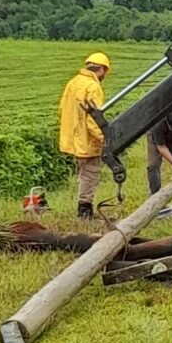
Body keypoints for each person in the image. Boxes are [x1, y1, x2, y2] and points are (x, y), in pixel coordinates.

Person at [58, 51, 112, 223]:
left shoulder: (73, 83)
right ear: (102, 69)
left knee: (83, 174)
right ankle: (84, 213)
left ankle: (84, 210)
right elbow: (93, 120)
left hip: (74, 140)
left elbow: (62, 109)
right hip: (88, 142)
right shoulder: (93, 87)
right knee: (90, 175)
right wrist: (104, 139)